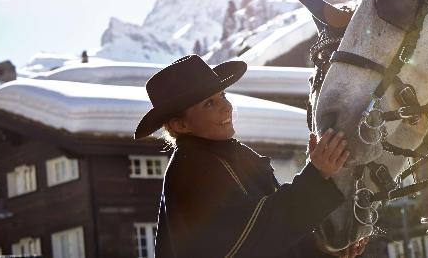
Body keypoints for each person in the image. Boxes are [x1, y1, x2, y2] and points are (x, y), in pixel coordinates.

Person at [134, 54, 368, 257]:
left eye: (223, 96)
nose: (226, 107)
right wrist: (316, 175)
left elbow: (274, 239)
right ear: (181, 125)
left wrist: (322, 250)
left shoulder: (234, 156)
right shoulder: (191, 169)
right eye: (209, 104)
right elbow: (251, 238)